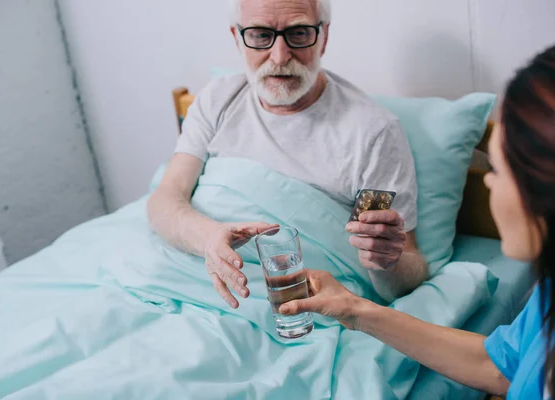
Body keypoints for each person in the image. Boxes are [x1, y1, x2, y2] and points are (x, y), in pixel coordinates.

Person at [279, 45, 555, 399]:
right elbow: (499, 366)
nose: (487, 182)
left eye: (497, 170)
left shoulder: (374, 131)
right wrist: (355, 310)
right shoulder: (546, 294)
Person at [148, 0, 428, 308]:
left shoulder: (372, 134)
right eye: (259, 35)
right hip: (186, 283)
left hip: (294, 309)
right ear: (237, 37)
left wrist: (387, 261)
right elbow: (166, 198)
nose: (280, 57)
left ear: (323, 38)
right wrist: (210, 239)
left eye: (298, 33)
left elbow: (405, 270)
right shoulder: (218, 100)